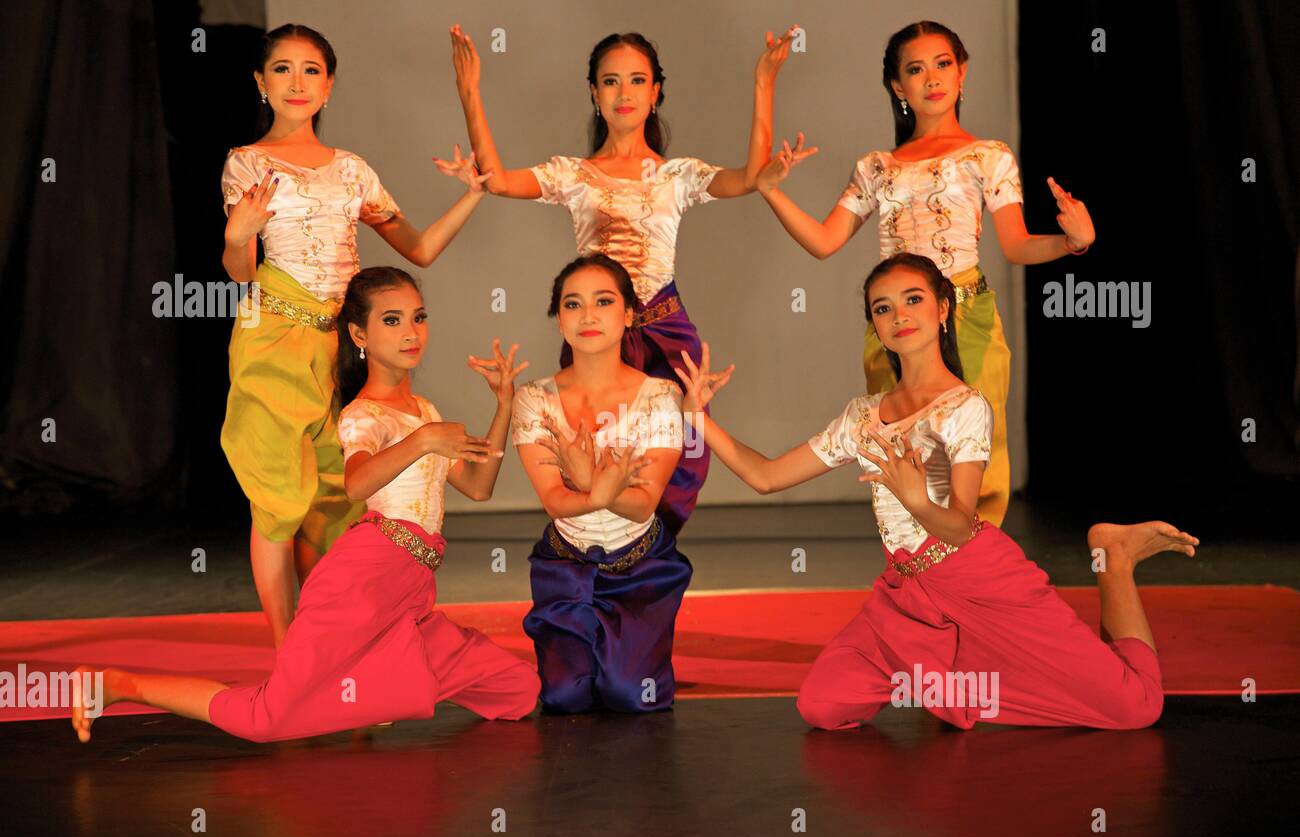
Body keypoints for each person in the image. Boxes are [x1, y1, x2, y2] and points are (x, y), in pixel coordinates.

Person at [673, 253, 1197, 731]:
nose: (898, 314)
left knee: (1135, 708)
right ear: (875, 327)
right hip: (904, 592)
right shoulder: (861, 416)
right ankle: (949, 674)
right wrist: (699, 419)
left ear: (943, 308)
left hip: (980, 578)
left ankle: (1116, 557)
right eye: (883, 308)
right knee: (824, 706)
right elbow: (765, 477)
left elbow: (963, 522)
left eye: (913, 299)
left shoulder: (965, 407)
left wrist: (919, 500)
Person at [71, 267, 539, 743]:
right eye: (392, 320)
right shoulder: (363, 415)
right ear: (359, 334)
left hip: (410, 590)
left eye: (418, 318)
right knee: (265, 720)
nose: (412, 332)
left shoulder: (426, 413)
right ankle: (117, 684)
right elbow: (356, 485)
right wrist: (422, 442)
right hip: (360, 583)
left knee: (517, 689)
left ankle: (381, 688)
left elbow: (479, 487)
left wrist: (504, 405)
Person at [450, 24, 797, 534]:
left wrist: (764, 83)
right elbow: (497, 180)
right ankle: (595, 561)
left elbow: (747, 177)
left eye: (637, 80)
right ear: (594, 93)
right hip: (599, 336)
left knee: (679, 456)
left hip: (666, 332)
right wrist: (470, 91)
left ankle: (649, 562)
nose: (624, 92)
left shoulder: (678, 175)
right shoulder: (573, 174)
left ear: (656, 92)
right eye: (611, 81)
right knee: (592, 449)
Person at [754, 20, 1096, 527]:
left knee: (976, 451)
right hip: (895, 324)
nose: (932, 78)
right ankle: (914, 571)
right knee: (897, 448)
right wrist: (771, 190)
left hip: (967, 315)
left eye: (942, 65)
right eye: (916, 69)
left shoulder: (989, 156)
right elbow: (825, 242)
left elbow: (1017, 245)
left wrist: (1074, 242)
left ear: (961, 73)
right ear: (898, 86)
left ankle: (976, 578)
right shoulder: (877, 166)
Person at [221, 23, 491, 646]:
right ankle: (292, 653)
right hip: (275, 341)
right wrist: (239, 235)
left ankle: (336, 640)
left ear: (330, 84)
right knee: (278, 496)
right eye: (282, 69)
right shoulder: (247, 163)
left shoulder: (353, 171)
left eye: (311, 69)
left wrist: (473, 195)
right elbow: (241, 272)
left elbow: (418, 248)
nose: (297, 82)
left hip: (345, 347)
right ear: (261, 83)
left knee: (338, 498)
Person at [511, 255, 690, 714]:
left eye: (603, 301)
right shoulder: (534, 398)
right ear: (559, 318)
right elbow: (555, 501)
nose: (588, 315)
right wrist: (605, 488)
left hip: (641, 568)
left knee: (631, 697)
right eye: (573, 304)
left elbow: (643, 504)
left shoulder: (661, 396)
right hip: (566, 568)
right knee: (563, 698)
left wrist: (588, 482)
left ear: (628, 314)